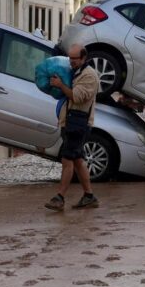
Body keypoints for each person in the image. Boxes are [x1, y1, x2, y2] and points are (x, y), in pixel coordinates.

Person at [44, 44, 100, 211]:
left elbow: (77, 97)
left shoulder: (90, 76)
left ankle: (59, 197)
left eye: (75, 59)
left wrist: (61, 85)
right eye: (70, 58)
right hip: (69, 122)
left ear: (83, 58)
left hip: (79, 124)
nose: (71, 61)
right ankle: (89, 196)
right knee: (77, 160)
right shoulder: (75, 71)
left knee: (67, 159)